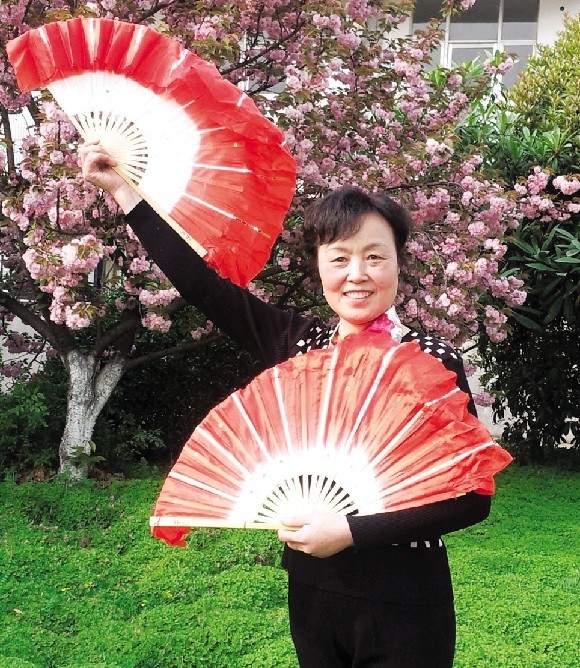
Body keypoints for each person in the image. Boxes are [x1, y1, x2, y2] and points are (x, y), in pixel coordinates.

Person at [80, 141, 492, 667]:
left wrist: (350, 531)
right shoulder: (300, 345)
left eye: (374, 257)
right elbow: (203, 287)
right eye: (339, 258)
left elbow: (471, 499)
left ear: (398, 264)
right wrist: (123, 191)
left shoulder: (431, 360)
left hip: (405, 602)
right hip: (313, 596)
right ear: (319, 267)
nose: (357, 274)